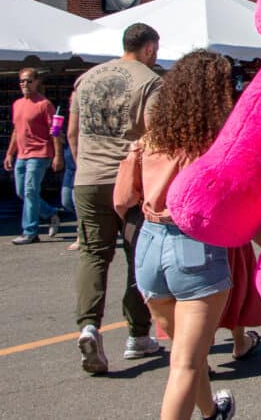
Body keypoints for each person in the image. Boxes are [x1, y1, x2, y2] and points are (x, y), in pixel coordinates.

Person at [114, 51, 261, 420]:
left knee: (186, 353)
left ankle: (210, 411)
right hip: (194, 246)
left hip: (148, 244)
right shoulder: (215, 144)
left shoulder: (150, 140)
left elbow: (122, 200)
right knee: (184, 364)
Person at [68, 22, 162, 374]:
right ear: (150, 48)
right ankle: (137, 334)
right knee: (139, 256)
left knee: (93, 254)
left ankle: (88, 325)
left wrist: (85, 167)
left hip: (88, 178)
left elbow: (74, 133)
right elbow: (155, 135)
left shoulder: (87, 79)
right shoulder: (150, 81)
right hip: (130, 181)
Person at [6, 68, 64, 245]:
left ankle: (30, 231)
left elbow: (55, 131)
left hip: (39, 153)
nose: (25, 84)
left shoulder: (44, 104)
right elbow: (16, 131)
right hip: (22, 154)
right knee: (22, 192)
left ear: (37, 82)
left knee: (30, 191)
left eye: (29, 81)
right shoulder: (17, 104)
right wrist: (9, 153)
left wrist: (58, 155)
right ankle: (50, 212)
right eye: (22, 81)